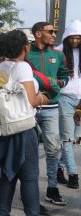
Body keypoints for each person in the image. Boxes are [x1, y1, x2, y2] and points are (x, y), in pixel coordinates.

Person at [0, 30, 52, 216]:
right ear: (25, 48)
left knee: (8, 175)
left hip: (2, 129)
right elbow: (31, 100)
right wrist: (42, 98)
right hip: (22, 129)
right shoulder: (23, 67)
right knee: (29, 178)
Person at [27, 21, 69, 206]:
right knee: (28, 151)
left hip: (51, 108)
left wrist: (60, 83)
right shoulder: (25, 52)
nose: (54, 34)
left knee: (53, 149)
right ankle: (28, 190)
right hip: (29, 108)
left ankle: (52, 188)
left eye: (55, 32)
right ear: (38, 34)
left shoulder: (58, 55)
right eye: (50, 31)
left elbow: (65, 76)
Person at [57, 19, 81, 191]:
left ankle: (59, 168)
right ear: (66, 37)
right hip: (64, 98)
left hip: (80, 101)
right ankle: (73, 174)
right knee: (67, 138)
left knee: (75, 140)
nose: (74, 41)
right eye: (71, 37)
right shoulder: (58, 52)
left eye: (78, 38)